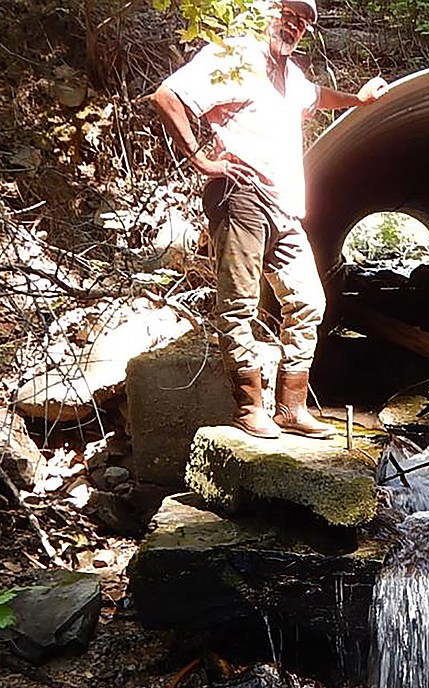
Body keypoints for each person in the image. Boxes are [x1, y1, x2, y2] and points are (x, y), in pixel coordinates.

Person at [151, 0, 388, 439]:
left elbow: (318, 97)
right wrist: (202, 159)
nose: (294, 27)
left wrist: (357, 99)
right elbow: (167, 95)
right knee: (239, 303)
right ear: (267, 12)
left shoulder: (291, 77)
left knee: (309, 301)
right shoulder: (235, 55)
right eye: (289, 15)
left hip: (284, 207)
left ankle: (291, 407)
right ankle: (248, 406)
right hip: (241, 196)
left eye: (302, 23)